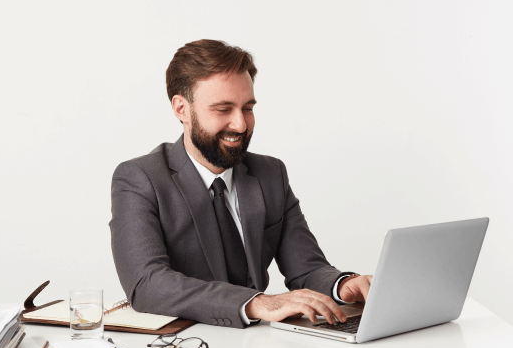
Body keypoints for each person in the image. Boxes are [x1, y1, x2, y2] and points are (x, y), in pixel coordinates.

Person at [109, 39, 372, 329]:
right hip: (188, 344)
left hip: (258, 344)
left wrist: (343, 284)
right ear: (182, 109)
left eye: (247, 108)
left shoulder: (271, 174)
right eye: (223, 109)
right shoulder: (139, 179)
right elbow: (146, 283)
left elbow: (307, 268)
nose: (241, 125)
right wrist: (256, 303)